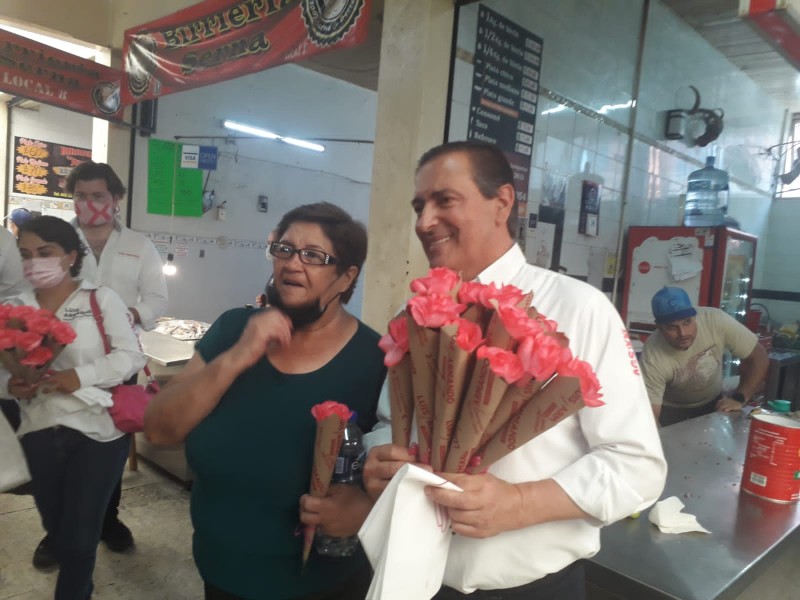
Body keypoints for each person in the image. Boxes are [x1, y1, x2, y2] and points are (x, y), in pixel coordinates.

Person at [362, 141, 667, 599]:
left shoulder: (577, 309)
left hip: (532, 589)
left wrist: (520, 504)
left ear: (502, 202)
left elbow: (637, 467)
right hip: (414, 578)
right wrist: (381, 459)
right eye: (419, 206)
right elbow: (390, 421)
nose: (424, 222)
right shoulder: (417, 313)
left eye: (445, 200)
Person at [145, 202, 386, 600]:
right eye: (284, 249)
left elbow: (405, 476)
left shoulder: (375, 360)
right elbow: (158, 430)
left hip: (321, 587)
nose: (292, 263)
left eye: (313, 255)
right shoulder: (232, 330)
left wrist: (364, 509)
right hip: (221, 575)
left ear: (346, 276)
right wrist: (237, 356)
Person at [27, 160, 169, 565]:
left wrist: (127, 315)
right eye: (81, 196)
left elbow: (157, 299)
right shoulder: (56, 242)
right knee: (55, 451)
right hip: (59, 363)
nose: (89, 203)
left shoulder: (139, 246)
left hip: (118, 364)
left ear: (116, 198)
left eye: (98, 196)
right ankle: (56, 533)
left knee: (109, 447)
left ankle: (108, 520)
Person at [1, 216, 145, 599]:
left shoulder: (101, 299)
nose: (33, 262)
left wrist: (78, 377)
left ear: (69, 256)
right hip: (39, 430)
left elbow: (131, 356)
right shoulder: (13, 309)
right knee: (57, 527)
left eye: (44, 252)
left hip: (99, 431)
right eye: (25, 254)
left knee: (81, 538)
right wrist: (12, 384)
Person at [640, 286, 769, 427]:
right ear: (659, 327)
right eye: (672, 327)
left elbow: (759, 357)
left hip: (714, 403)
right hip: (670, 410)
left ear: (694, 316)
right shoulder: (652, 356)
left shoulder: (716, 320)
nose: (683, 333)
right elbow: (650, 416)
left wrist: (739, 398)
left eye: (687, 322)